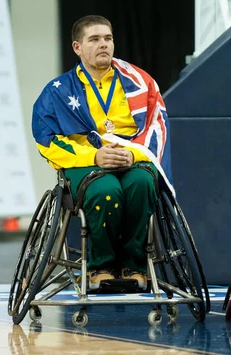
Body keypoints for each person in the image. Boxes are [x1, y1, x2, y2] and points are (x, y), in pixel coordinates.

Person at [32, 15, 172, 290]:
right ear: (77, 48)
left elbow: (158, 123)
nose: (103, 45)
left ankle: (134, 265)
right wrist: (93, 157)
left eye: (108, 38)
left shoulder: (138, 81)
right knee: (106, 190)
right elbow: (47, 141)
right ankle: (101, 265)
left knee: (143, 183)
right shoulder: (58, 91)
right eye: (94, 40)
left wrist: (136, 154)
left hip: (131, 158)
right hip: (87, 164)